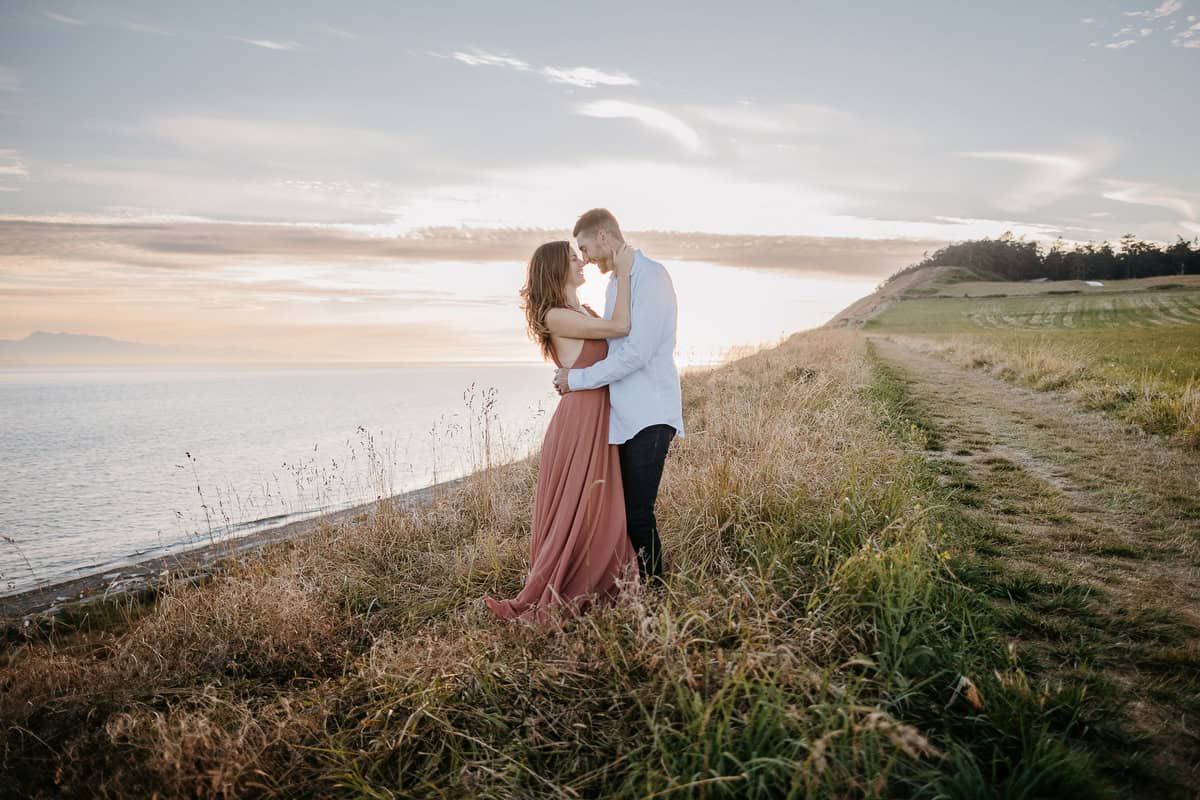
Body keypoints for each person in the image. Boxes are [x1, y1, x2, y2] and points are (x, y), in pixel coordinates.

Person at [484, 239, 639, 621]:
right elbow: (620, 326)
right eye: (573, 258)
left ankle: (604, 578)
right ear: (557, 269)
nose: (581, 261)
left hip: (597, 417)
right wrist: (622, 272)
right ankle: (565, 586)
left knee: (599, 508)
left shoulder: (581, 310)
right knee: (580, 508)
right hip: (579, 421)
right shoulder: (556, 315)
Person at [553, 209, 684, 586]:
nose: (585, 257)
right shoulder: (616, 283)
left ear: (604, 238)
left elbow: (636, 353)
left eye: (585, 247)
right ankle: (633, 589)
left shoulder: (652, 276)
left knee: (638, 513)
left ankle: (657, 594)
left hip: (650, 414)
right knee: (623, 513)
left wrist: (577, 380)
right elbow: (614, 341)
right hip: (625, 417)